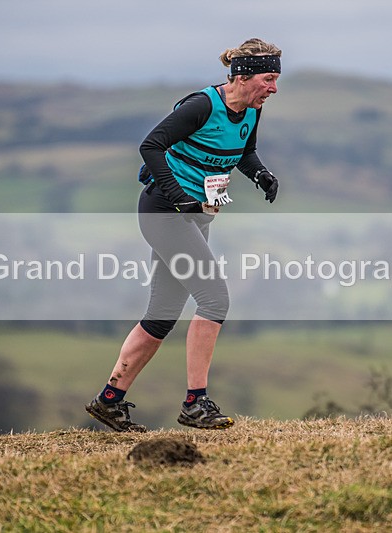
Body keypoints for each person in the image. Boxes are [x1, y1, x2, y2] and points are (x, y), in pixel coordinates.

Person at [86, 38, 281, 432]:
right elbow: (151, 145)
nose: (274, 88)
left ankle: (109, 400)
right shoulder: (202, 106)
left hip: (195, 217)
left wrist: (260, 172)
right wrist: (177, 197)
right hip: (165, 212)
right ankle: (196, 402)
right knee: (214, 298)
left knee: (161, 316)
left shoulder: (250, 110)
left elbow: (244, 150)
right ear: (243, 76)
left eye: (277, 79)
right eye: (269, 78)